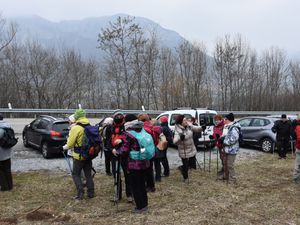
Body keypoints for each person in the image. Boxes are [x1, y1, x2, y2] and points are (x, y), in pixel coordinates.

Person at [112, 114, 150, 213]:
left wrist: (116, 151)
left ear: (127, 122)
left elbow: (124, 150)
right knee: (142, 185)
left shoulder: (128, 133)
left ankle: (140, 207)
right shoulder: (141, 129)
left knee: (135, 186)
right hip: (144, 161)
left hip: (133, 164)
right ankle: (145, 205)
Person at [63, 109, 95, 200]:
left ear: (76, 117)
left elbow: (70, 144)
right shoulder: (89, 125)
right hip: (88, 155)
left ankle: (80, 194)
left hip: (79, 156)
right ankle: (91, 193)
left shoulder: (75, 128)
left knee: (75, 174)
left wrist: (63, 148)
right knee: (88, 174)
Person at [173, 114, 202, 182]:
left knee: (191, 163)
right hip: (184, 151)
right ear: (180, 122)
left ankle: (182, 169)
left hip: (191, 148)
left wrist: (202, 128)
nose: (186, 121)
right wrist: (180, 138)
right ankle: (185, 178)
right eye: (184, 120)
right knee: (185, 165)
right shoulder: (178, 130)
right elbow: (174, 141)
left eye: (186, 119)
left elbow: (196, 129)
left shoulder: (189, 126)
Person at [111, 112, 132, 202]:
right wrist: (112, 149)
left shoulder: (127, 128)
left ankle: (129, 195)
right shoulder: (109, 128)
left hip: (125, 155)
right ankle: (117, 195)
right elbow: (107, 141)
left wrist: (122, 141)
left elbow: (131, 140)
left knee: (128, 175)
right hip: (114, 154)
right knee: (116, 175)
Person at [138, 113, 161, 191]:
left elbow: (142, 142)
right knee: (150, 168)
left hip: (144, 150)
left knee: (145, 169)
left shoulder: (143, 128)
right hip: (152, 150)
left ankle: (147, 186)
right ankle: (151, 186)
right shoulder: (152, 127)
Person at [219, 113, 241, 183]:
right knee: (225, 163)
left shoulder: (234, 128)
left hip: (232, 150)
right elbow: (226, 136)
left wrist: (224, 141)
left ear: (228, 120)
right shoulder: (227, 126)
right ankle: (226, 176)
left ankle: (232, 179)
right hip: (226, 149)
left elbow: (234, 139)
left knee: (230, 165)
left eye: (225, 119)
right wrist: (221, 138)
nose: (223, 120)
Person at [0, 114, 13, 191]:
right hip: (8, 152)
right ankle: (10, 186)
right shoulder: (7, 126)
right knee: (7, 170)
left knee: (1, 171)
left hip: (0, 153)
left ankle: (4, 187)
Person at [292, 114, 300, 184]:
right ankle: (296, 178)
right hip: (299, 148)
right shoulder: (298, 126)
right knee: (298, 163)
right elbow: (299, 138)